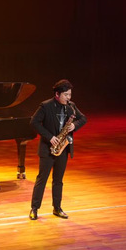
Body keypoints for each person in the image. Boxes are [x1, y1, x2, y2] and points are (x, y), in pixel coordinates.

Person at [29, 79, 87, 220]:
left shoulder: (71, 106)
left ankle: (57, 208)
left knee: (58, 180)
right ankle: (34, 209)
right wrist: (49, 137)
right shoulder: (45, 106)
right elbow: (34, 122)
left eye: (70, 94)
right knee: (42, 179)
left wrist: (74, 126)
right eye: (66, 95)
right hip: (48, 148)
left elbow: (83, 118)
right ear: (57, 94)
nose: (69, 98)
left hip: (62, 148)